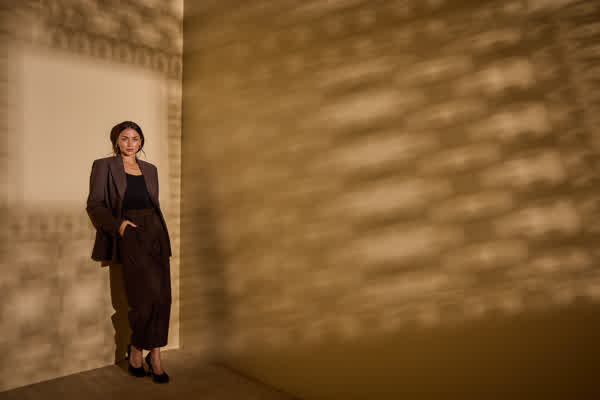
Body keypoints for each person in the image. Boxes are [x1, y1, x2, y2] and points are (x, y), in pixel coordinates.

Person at [86, 121, 172, 383]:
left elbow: (153, 205)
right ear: (116, 141)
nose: (130, 143)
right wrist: (120, 226)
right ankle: (136, 349)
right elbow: (95, 204)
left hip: (156, 232)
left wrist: (157, 231)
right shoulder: (104, 166)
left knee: (163, 297)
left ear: (141, 141)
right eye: (125, 138)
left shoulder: (151, 169)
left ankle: (155, 355)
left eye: (135, 138)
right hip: (130, 232)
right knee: (142, 298)